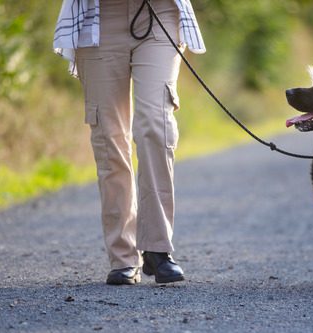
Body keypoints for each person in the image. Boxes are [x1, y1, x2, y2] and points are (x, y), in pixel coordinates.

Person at [53, 0, 205, 285]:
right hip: (98, 18)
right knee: (109, 138)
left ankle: (158, 249)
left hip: (159, 12)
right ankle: (123, 257)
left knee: (155, 126)